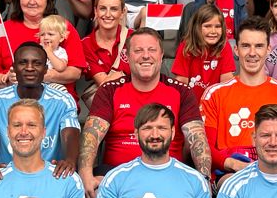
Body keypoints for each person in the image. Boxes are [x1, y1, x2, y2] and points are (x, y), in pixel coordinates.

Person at [80, 28, 211, 188]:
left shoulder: (181, 92)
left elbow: (197, 139)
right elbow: (91, 136)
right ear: (127, 57)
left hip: (169, 174)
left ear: (161, 55)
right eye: (138, 50)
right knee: (98, 189)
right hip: (117, 175)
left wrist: (205, 179)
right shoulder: (109, 90)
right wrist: (86, 177)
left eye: (152, 50)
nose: (146, 56)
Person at [202, 19, 277, 173]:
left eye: (259, 46)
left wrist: (267, 169)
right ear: (236, 50)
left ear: (269, 49)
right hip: (231, 172)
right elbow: (205, 146)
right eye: (245, 46)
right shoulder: (214, 94)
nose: (252, 53)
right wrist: (234, 164)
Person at [0, 41, 81, 170]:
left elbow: (70, 135)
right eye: (23, 62)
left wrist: (70, 161)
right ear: (13, 68)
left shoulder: (63, 100)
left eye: (37, 63)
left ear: (45, 69)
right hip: (5, 175)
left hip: (51, 174)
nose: (30, 68)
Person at [0, 0, 84, 89]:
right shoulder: (2, 30)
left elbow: (75, 72)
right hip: (14, 98)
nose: (32, 1)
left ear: (48, 0)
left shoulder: (63, 26)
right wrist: (7, 79)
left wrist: (47, 76)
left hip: (56, 99)